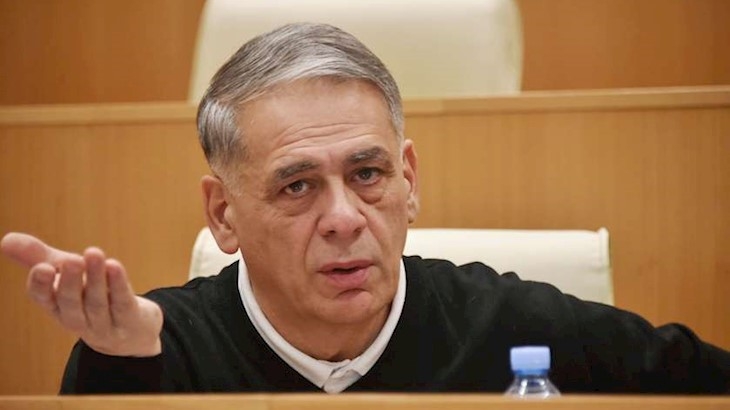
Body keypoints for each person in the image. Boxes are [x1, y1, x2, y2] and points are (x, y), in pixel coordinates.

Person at [2, 22, 729, 394]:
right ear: (223, 214)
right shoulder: (156, 348)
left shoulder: (514, 326)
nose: (345, 218)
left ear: (408, 179)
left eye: (369, 174)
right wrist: (123, 369)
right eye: (297, 186)